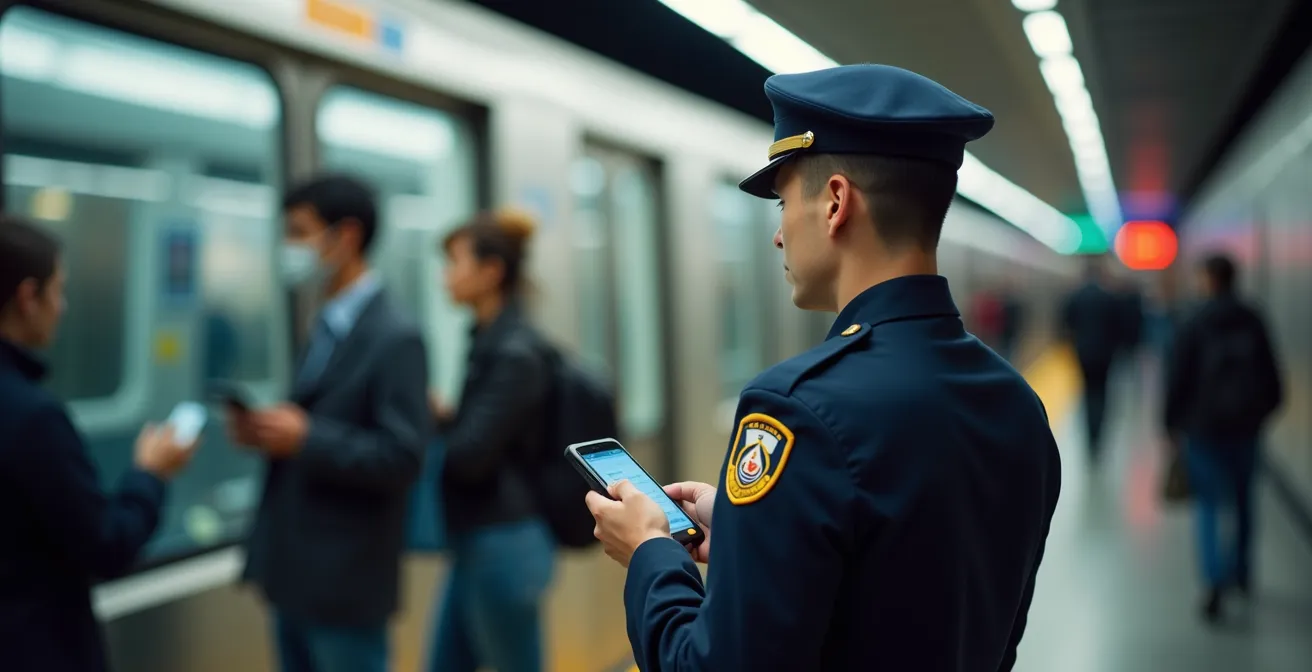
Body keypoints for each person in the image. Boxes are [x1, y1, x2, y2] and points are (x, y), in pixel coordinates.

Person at [584, 64, 1061, 670]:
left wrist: (651, 553)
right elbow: (912, 582)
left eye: (783, 203)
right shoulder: (1016, 403)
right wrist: (752, 533)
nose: (778, 236)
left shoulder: (798, 409)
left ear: (836, 202)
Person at [228, 175, 430, 672]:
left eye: (300, 232)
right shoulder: (325, 324)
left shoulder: (396, 336)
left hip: (345, 580)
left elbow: (403, 457)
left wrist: (307, 438)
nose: (289, 247)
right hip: (294, 572)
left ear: (347, 236)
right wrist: (271, 434)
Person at [0, 215, 196, 672]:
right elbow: (106, 545)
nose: (62, 307)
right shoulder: (32, 417)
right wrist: (150, 474)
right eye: (58, 290)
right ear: (28, 297)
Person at [425, 208, 555, 672]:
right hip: (478, 537)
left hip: (503, 543)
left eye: (455, 262)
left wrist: (434, 426)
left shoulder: (514, 353)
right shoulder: (489, 342)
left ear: (491, 271)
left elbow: (471, 456)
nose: (445, 276)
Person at [1162, 253, 1283, 623]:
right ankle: (1242, 573)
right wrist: (1261, 414)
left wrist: (1171, 423)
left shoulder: (1194, 320)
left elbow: (1177, 377)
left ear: (1209, 280)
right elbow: (1272, 376)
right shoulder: (1253, 318)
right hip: (1246, 428)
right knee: (1244, 502)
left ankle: (1214, 581)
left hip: (1204, 430)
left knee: (1210, 505)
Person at [1061, 257, 1124, 462]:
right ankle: (1098, 436)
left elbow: (1066, 323)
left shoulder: (1076, 296)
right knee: (1102, 393)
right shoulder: (1109, 297)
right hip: (1105, 354)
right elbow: (1118, 327)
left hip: (1083, 353)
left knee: (1087, 392)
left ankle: (1089, 436)